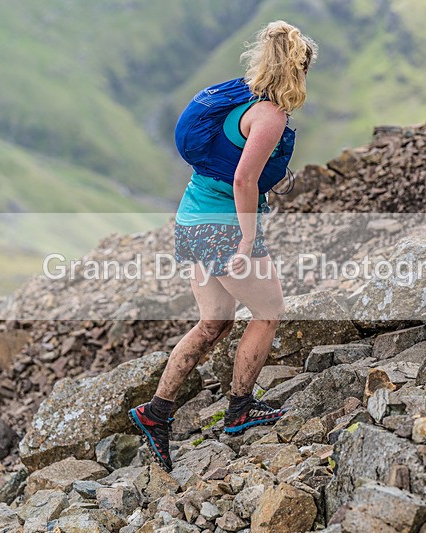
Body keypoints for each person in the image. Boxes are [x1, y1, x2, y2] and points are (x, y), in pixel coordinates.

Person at [128, 20, 317, 472]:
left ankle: (156, 412)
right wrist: (247, 239)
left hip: (190, 222)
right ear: (298, 69)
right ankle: (240, 409)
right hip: (224, 230)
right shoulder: (270, 115)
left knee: (214, 321)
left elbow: (228, 162)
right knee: (269, 312)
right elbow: (243, 180)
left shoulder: (237, 97)